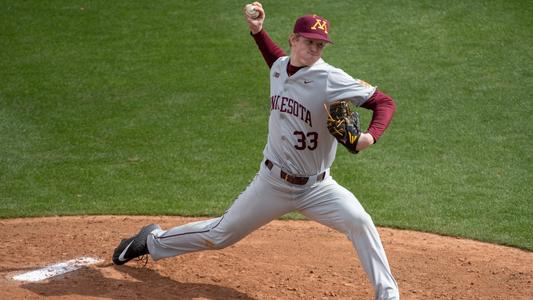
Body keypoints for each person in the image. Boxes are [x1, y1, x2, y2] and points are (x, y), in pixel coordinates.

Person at [112, 2, 399, 299]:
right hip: (273, 183)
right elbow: (277, 62)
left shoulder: (330, 78)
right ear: (294, 40)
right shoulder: (279, 68)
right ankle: (152, 241)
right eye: (309, 42)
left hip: (319, 188)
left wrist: (369, 137)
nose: (314, 49)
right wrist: (258, 32)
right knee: (220, 234)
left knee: (360, 221)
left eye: (320, 45)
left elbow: (384, 102)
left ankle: (388, 295)